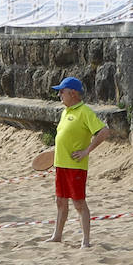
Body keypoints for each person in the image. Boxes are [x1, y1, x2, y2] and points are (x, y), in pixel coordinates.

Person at [47, 76, 108, 248]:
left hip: (76, 166)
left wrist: (86, 151)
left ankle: (86, 241)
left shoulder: (85, 111)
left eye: (62, 92)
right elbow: (63, 138)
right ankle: (57, 235)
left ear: (73, 93)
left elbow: (104, 132)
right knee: (60, 201)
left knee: (79, 203)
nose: (59, 95)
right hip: (61, 164)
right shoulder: (65, 111)